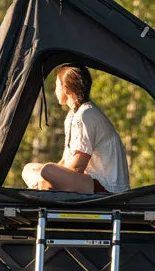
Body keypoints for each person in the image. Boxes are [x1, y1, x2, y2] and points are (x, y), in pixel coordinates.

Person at [22, 65, 130, 194]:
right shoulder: (73, 115)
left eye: (57, 86)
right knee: (29, 169)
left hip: (106, 188)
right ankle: (42, 186)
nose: (55, 90)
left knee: (48, 171)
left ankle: (42, 188)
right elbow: (65, 161)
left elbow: (78, 167)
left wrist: (50, 176)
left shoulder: (86, 115)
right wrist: (48, 178)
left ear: (66, 89)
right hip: (86, 182)